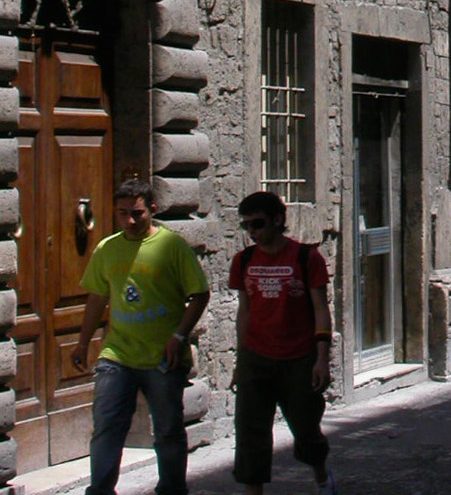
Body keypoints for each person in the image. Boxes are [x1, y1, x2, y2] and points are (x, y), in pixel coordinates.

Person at [71, 177, 210, 495]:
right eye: (122, 214)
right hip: (117, 355)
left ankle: (172, 489)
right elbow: (96, 297)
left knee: (168, 431)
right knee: (107, 426)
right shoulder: (108, 248)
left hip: (162, 357)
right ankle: (102, 490)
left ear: (153, 210)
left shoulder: (170, 246)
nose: (129, 221)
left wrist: (179, 336)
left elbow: (199, 294)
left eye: (137, 214)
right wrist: (82, 342)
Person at [230, 191, 335, 495]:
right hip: (256, 357)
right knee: (250, 433)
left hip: (298, 358)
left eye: (258, 224)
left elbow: (320, 309)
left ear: (278, 220)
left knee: (306, 430)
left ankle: (320, 476)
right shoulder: (244, 260)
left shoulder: (306, 258)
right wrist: (241, 360)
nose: (253, 232)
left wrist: (321, 358)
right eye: (247, 226)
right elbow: (244, 310)